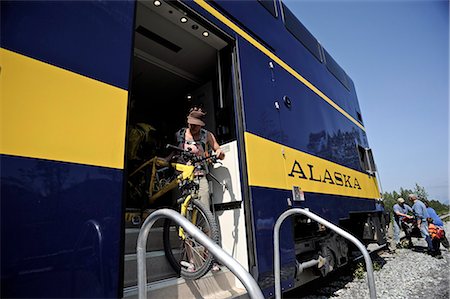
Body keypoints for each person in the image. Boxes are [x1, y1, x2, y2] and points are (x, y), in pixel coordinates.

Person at [175, 107, 225, 272]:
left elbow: (218, 149)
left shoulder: (207, 135)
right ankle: (191, 261)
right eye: (191, 124)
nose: (193, 128)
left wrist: (218, 153)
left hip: (200, 177)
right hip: (185, 179)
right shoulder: (181, 134)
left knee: (206, 221)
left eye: (196, 125)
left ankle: (208, 259)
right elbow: (174, 154)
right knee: (187, 221)